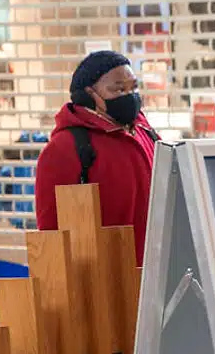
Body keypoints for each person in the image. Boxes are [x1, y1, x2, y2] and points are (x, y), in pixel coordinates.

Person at [35, 50, 159, 267]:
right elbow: (51, 235)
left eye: (134, 87)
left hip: (156, 270)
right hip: (106, 277)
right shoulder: (65, 149)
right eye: (118, 89)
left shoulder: (146, 133)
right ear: (89, 95)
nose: (130, 95)